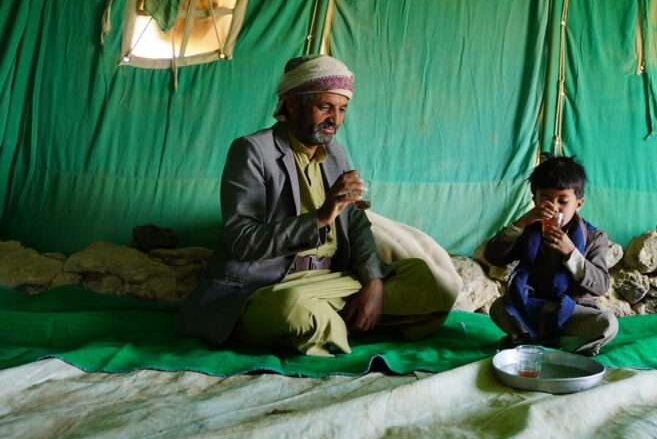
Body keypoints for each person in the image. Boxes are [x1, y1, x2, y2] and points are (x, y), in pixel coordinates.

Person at [176, 55, 455, 356]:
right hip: (273, 287)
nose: (334, 120)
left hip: (333, 281)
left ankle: (334, 325)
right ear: (292, 104)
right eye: (325, 107)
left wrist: (373, 283)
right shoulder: (252, 151)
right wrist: (321, 217)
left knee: (427, 282)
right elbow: (243, 242)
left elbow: (358, 223)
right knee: (293, 310)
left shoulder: (336, 154)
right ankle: (345, 325)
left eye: (342, 109)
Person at [483, 155, 618, 355]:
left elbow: (601, 284)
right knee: (499, 308)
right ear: (534, 200)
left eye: (562, 201)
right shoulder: (528, 229)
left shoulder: (593, 237)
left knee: (608, 324)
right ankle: (529, 340)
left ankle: (559, 349)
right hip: (532, 306)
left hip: (571, 309)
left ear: (578, 203)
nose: (553, 208)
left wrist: (571, 253)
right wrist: (521, 223)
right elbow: (494, 256)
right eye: (545, 199)